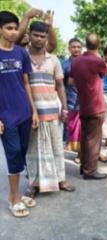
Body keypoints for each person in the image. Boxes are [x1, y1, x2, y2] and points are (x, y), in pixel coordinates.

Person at [25, 21, 75, 197]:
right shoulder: (22, 57)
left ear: (47, 38)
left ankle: (61, 179)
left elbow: (60, 85)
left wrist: (65, 108)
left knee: (56, 148)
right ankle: (33, 183)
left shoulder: (53, 60)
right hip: (31, 113)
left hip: (52, 110)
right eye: (36, 35)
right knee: (33, 149)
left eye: (43, 36)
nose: (39, 39)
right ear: (29, 35)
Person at [0, 10, 38, 217]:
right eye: (9, 28)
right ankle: (14, 198)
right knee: (13, 156)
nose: (14, 32)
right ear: (0, 30)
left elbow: (26, 83)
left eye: (16, 28)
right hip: (6, 117)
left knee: (21, 154)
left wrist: (33, 111)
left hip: (24, 112)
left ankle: (16, 194)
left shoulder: (21, 53)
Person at [70, 33, 107, 180]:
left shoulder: (77, 61)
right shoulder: (97, 61)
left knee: (85, 137)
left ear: (85, 44)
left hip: (83, 104)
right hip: (96, 105)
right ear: (98, 45)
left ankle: (84, 166)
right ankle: (90, 171)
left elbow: (71, 82)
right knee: (94, 140)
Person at [63, 38, 82, 163]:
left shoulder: (86, 62)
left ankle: (81, 155)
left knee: (82, 128)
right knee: (70, 126)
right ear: (69, 48)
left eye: (78, 47)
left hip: (85, 101)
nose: (76, 49)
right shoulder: (64, 64)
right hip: (70, 100)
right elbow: (60, 83)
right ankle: (70, 145)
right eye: (73, 47)